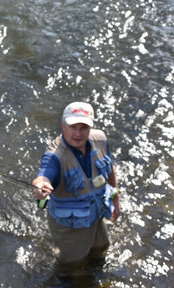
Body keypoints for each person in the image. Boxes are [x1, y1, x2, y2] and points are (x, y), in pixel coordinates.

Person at [32, 101, 121, 271]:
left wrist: (115, 199)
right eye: (73, 127)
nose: (78, 133)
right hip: (70, 227)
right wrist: (40, 186)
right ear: (63, 126)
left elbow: (110, 168)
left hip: (96, 215)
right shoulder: (54, 156)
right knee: (70, 265)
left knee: (101, 248)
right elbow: (43, 175)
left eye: (84, 127)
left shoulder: (100, 139)